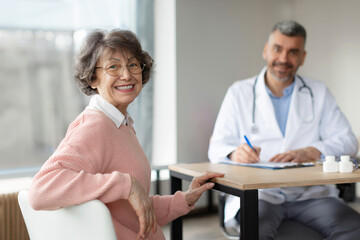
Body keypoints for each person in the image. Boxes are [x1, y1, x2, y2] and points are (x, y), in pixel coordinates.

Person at [28, 29, 224, 240]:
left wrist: (185, 199)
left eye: (132, 65)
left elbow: (132, 213)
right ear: (93, 78)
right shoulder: (95, 126)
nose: (127, 75)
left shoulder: (120, 125)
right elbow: (41, 190)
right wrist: (126, 185)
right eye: (113, 67)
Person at [208, 20, 360, 239]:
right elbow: (216, 147)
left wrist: (313, 150)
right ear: (265, 51)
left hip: (312, 194)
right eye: (277, 49)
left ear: (303, 57)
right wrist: (234, 152)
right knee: (258, 232)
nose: (283, 59)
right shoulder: (238, 93)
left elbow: (348, 141)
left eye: (293, 52)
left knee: (355, 230)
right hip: (259, 196)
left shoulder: (318, 92)